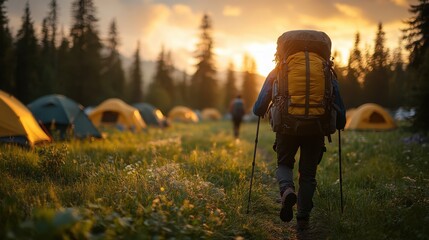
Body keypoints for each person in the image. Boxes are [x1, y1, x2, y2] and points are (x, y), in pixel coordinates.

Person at [253, 30, 346, 230]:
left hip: (287, 126)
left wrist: (260, 110)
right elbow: (338, 103)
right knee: (308, 174)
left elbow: (259, 105)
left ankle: (287, 191)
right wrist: (340, 123)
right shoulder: (326, 70)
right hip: (317, 127)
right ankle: (303, 217)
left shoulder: (281, 68)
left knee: (284, 164)